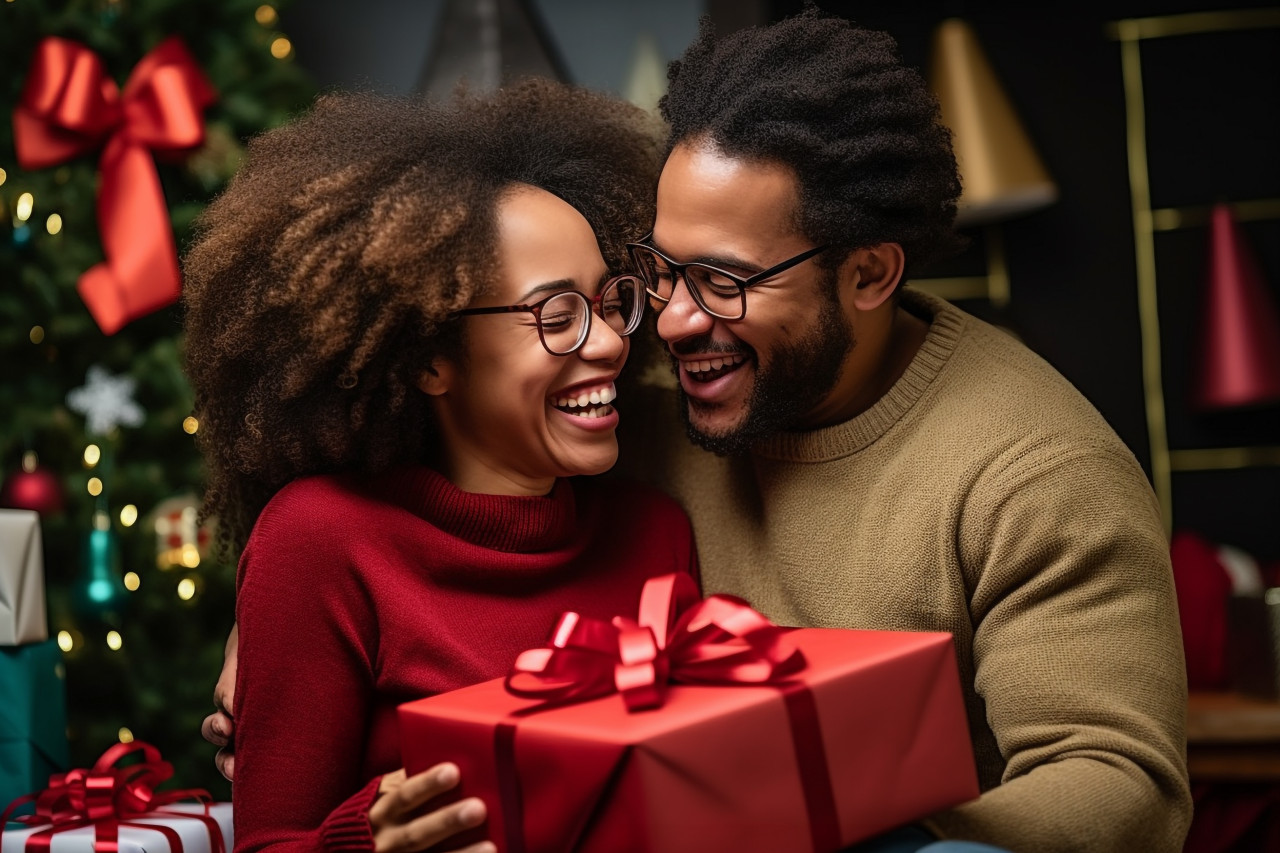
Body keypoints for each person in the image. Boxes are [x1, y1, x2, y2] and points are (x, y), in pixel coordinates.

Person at [205, 9, 1191, 853]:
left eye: (722, 282)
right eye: (660, 271)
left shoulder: (1034, 471)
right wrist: (272, 610)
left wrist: (863, 824)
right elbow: (430, 441)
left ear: (869, 273)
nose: (665, 324)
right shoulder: (631, 405)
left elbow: (1119, 783)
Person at [182, 80, 698, 853]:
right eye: (557, 316)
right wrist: (362, 841)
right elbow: (267, 843)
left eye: (609, 300)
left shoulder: (654, 531)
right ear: (430, 358)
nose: (610, 342)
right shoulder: (321, 541)